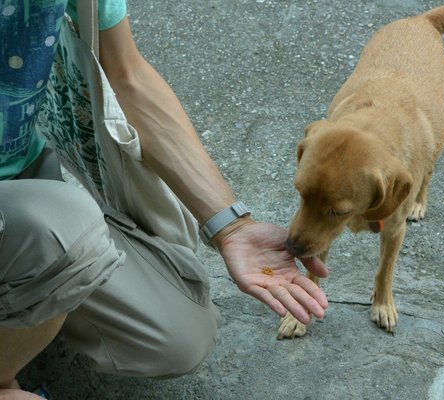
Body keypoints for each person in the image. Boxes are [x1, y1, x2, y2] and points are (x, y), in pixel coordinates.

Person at [0, 1, 328, 399]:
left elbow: (127, 75)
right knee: (63, 229)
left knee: (177, 334)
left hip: (20, 185)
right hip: (39, 218)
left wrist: (231, 225)